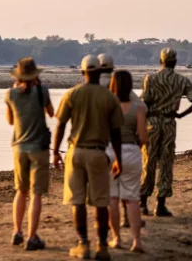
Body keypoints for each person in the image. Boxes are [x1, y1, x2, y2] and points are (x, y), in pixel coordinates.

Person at [53, 55, 124, 261]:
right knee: (101, 202)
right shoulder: (109, 97)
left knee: (77, 201)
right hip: (98, 153)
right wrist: (118, 159)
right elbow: (116, 133)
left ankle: (83, 244)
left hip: (75, 152)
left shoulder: (72, 94)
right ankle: (102, 247)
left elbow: (61, 125)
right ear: (100, 72)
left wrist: (56, 151)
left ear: (82, 72)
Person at [140, 48, 192, 217]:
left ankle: (143, 202)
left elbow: (144, 103)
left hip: (151, 123)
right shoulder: (181, 80)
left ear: (161, 61)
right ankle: (160, 205)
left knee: (148, 161)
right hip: (169, 123)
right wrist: (181, 115)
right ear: (174, 62)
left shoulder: (150, 79)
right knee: (166, 163)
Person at [5, 57, 54, 251]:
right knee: (36, 195)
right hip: (39, 149)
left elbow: (10, 121)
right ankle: (32, 236)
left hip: (19, 148)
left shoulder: (10, 94)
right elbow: (51, 113)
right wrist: (39, 89)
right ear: (35, 75)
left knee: (21, 191)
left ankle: (17, 231)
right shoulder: (42, 92)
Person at [98, 53, 146, 228]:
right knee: (130, 192)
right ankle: (128, 219)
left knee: (110, 192)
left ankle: (111, 232)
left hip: (102, 145)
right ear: (112, 66)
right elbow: (142, 107)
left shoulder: (91, 84)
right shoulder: (119, 83)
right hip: (128, 146)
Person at [107, 70, 148, 253]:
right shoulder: (138, 108)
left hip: (110, 153)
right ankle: (137, 241)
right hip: (131, 151)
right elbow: (144, 137)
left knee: (113, 199)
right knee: (131, 199)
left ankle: (116, 239)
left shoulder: (108, 106)